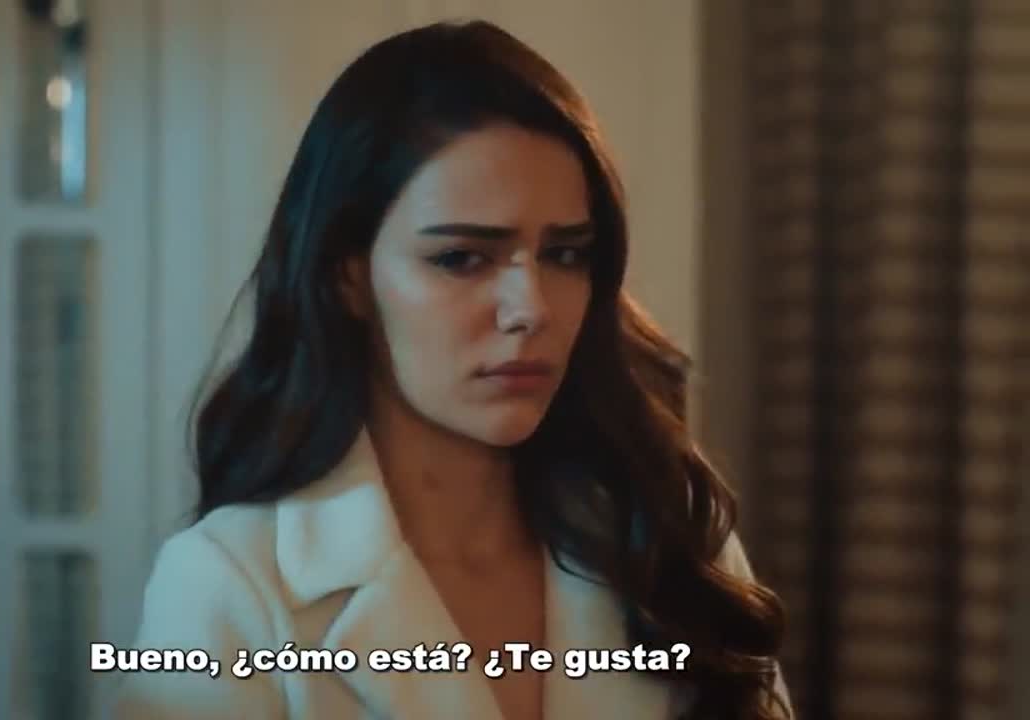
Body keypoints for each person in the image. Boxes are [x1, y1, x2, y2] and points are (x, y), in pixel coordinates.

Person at [115, 19, 792, 720]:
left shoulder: (670, 544)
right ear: (349, 276)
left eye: (565, 255)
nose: (530, 309)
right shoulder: (230, 585)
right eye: (462, 258)